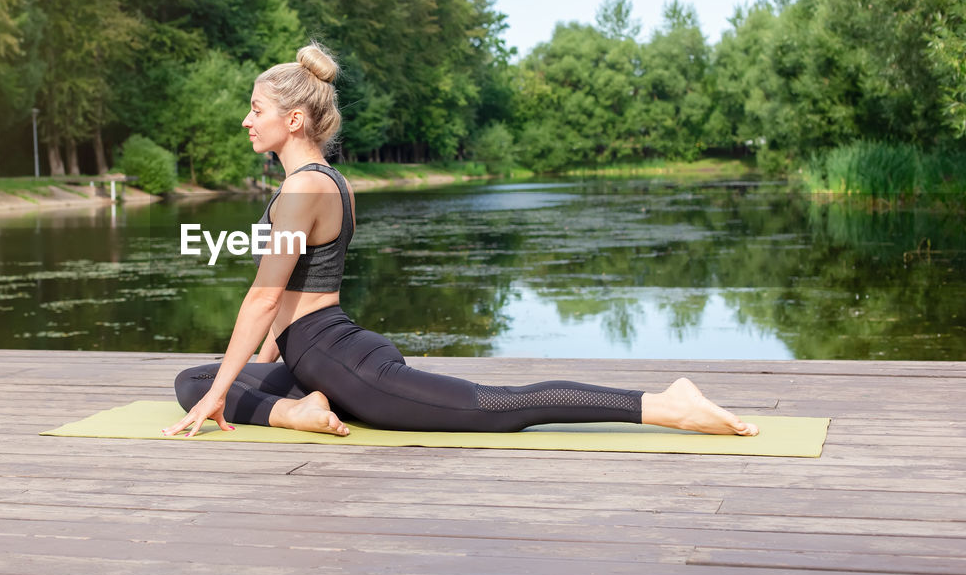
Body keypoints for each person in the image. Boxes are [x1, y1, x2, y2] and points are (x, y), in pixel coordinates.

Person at [164, 43, 759, 440]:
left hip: (345, 365)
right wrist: (236, 383)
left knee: (497, 407)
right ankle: (301, 410)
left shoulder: (302, 192)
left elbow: (265, 300)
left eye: (256, 108)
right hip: (324, 353)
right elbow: (289, 303)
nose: (247, 120)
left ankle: (666, 405)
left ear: (293, 119)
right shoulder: (329, 183)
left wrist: (232, 390)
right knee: (195, 382)